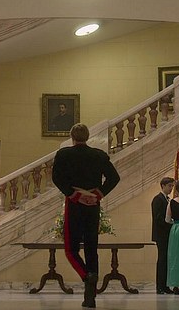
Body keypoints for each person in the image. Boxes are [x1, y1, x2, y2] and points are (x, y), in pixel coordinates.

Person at [51, 123, 120, 308]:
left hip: (74, 204)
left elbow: (56, 178)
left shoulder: (64, 154)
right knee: (91, 248)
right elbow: (114, 178)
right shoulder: (99, 155)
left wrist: (74, 194)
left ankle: (86, 276)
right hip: (92, 205)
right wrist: (98, 194)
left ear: (72, 137)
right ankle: (90, 297)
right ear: (88, 136)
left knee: (70, 249)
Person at [151, 177, 175, 294]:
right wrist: (170, 223)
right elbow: (158, 218)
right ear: (163, 186)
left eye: (172, 186)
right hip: (161, 234)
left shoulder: (167, 199)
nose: (171, 188)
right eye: (169, 186)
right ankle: (160, 286)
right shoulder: (158, 199)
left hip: (166, 234)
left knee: (166, 260)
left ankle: (165, 286)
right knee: (162, 260)